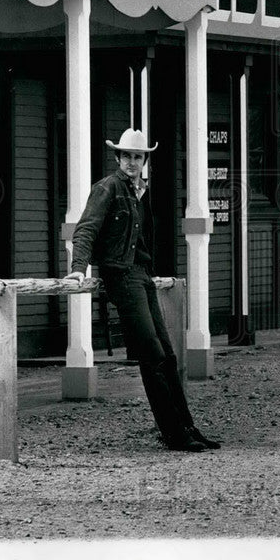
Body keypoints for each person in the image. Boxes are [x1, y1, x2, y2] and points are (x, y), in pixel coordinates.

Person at [64, 128, 220, 452]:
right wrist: (78, 269)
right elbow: (86, 230)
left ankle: (188, 426)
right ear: (118, 158)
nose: (132, 161)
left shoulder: (140, 191)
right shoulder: (107, 188)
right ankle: (174, 434)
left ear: (143, 160)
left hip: (141, 274)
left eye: (138, 156)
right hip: (121, 276)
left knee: (168, 352)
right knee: (152, 354)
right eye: (127, 156)